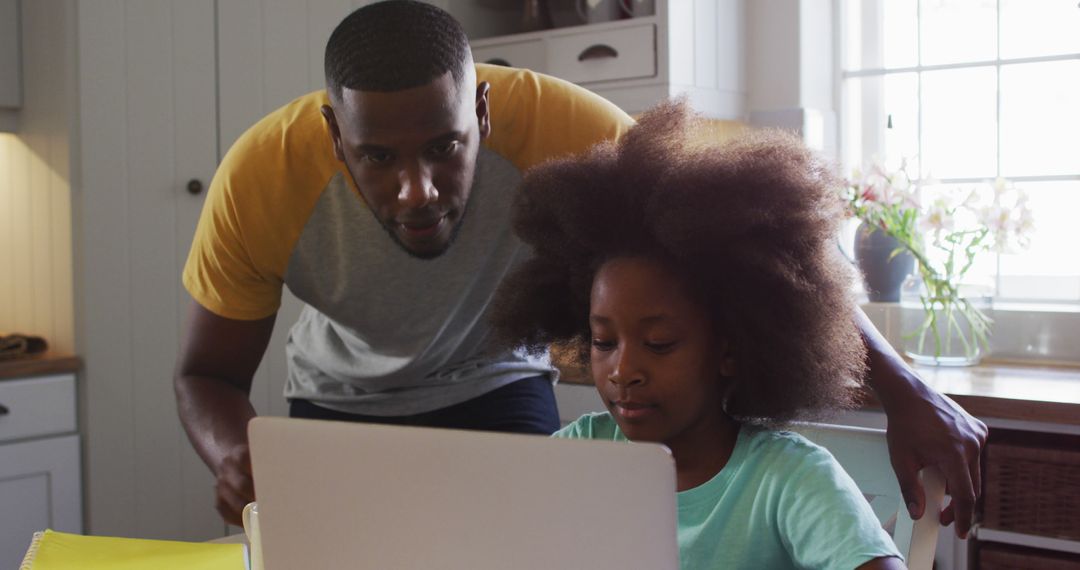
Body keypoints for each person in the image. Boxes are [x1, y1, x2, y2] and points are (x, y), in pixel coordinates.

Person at [174, 0, 986, 533]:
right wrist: (233, 456)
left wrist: (905, 389)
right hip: (334, 407)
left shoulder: (564, 127)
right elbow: (204, 374)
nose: (415, 190)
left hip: (494, 389)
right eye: (378, 157)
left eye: (445, 148)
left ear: (482, 113)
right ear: (331, 135)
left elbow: (749, 255)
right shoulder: (261, 179)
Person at [492, 100, 907, 569]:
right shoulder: (580, 454)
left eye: (659, 344)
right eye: (604, 342)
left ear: (728, 349)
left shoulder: (786, 478)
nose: (623, 370)